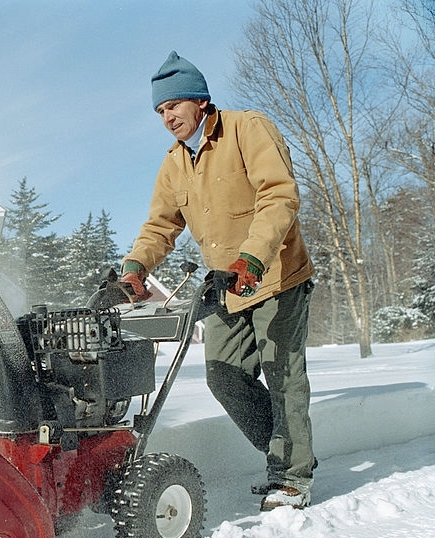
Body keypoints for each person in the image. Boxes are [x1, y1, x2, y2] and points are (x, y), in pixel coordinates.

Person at [119, 51, 316, 510]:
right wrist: (137, 265)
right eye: (160, 111)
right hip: (226, 287)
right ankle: (283, 456)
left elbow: (279, 194)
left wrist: (253, 257)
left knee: (282, 374)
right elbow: (160, 226)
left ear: (199, 101)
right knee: (223, 375)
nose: (167, 117)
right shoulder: (174, 163)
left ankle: (292, 476)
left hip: (276, 275)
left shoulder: (247, 128)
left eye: (173, 106)